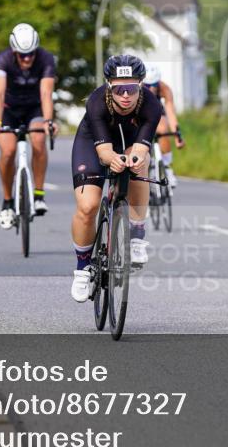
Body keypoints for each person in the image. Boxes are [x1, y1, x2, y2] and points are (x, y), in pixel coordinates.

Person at [69, 54, 163, 303]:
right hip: (94, 143)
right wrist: (114, 159)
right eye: (119, 88)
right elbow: (104, 153)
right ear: (109, 87)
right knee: (87, 206)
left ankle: (137, 232)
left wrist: (133, 160)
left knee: (140, 165)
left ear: (140, 86)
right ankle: (82, 268)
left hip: (131, 141)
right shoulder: (97, 102)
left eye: (131, 88)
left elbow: (142, 148)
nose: (125, 95)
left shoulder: (152, 106)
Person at [0, 23, 58, 228]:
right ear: (14, 50)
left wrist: (47, 121)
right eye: (22, 55)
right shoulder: (3, 59)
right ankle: (7, 202)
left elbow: (46, 93)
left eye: (31, 54)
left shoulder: (46, 58)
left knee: (38, 139)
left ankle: (38, 194)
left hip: (34, 108)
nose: (27, 59)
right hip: (9, 109)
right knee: (8, 152)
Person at [142, 65, 184, 188]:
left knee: (163, 128)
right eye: (147, 85)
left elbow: (171, 113)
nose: (150, 88)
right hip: (141, 112)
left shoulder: (164, 88)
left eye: (153, 85)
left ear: (158, 83)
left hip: (157, 111)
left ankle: (167, 167)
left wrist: (178, 137)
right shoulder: (138, 89)